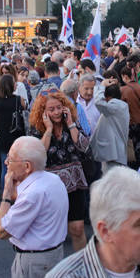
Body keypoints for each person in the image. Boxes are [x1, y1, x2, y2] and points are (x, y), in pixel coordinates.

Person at [0, 136, 68, 278]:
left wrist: (5, 195)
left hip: (32, 263)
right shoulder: (53, 180)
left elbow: (2, 230)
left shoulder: (32, 194)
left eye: (11, 159)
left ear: (27, 166)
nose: (6, 163)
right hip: (54, 255)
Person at [28, 88, 90, 251]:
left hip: (74, 183)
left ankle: (82, 267)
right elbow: (38, 154)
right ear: (43, 111)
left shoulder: (71, 122)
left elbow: (84, 147)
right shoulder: (37, 128)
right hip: (50, 187)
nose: (56, 112)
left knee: (77, 228)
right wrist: (48, 130)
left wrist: (70, 123)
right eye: (51, 109)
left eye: (58, 108)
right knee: (52, 233)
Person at [0, 74, 26, 199]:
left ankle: (5, 194)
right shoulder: (19, 100)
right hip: (16, 136)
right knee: (18, 165)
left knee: (4, 167)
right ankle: (17, 192)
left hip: (2, 137)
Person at [89, 82, 129, 169]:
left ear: (108, 97)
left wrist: (101, 86)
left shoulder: (115, 106)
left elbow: (98, 102)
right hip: (116, 154)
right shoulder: (121, 106)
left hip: (114, 155)